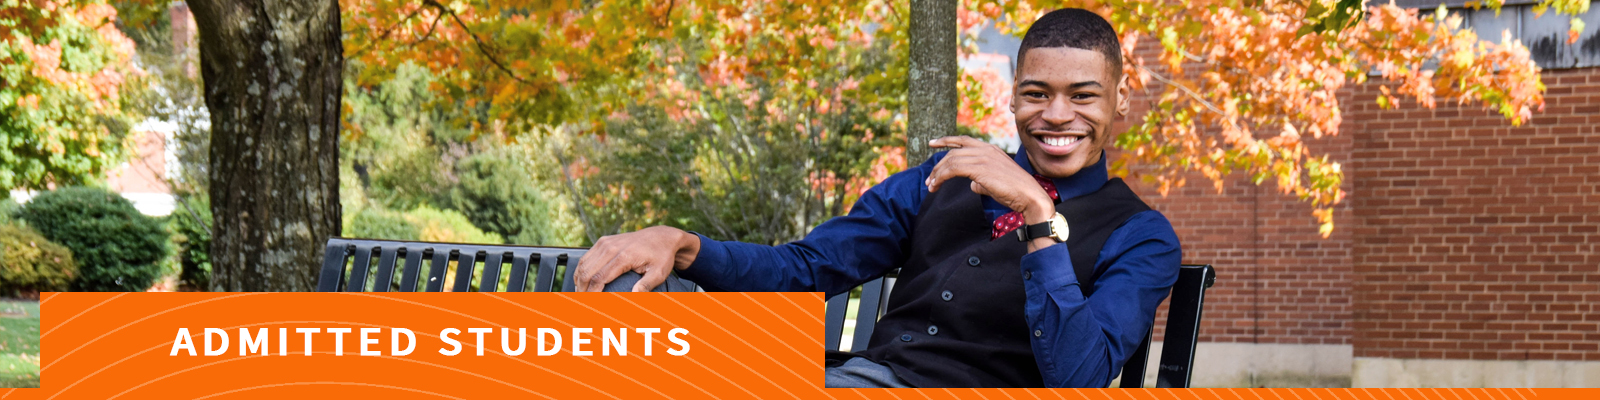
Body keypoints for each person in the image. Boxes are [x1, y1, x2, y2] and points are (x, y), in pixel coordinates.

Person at [572, 8, 1181, 388]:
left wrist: (1038, 218)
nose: (1056, 115)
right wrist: (682, 245)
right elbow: (805, 269)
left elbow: (1079, 376)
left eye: (1082, 95)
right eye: (1035, 93)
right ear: (1013, 97)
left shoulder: (1142, 237)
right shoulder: (937, 182)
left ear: (1120, 101)